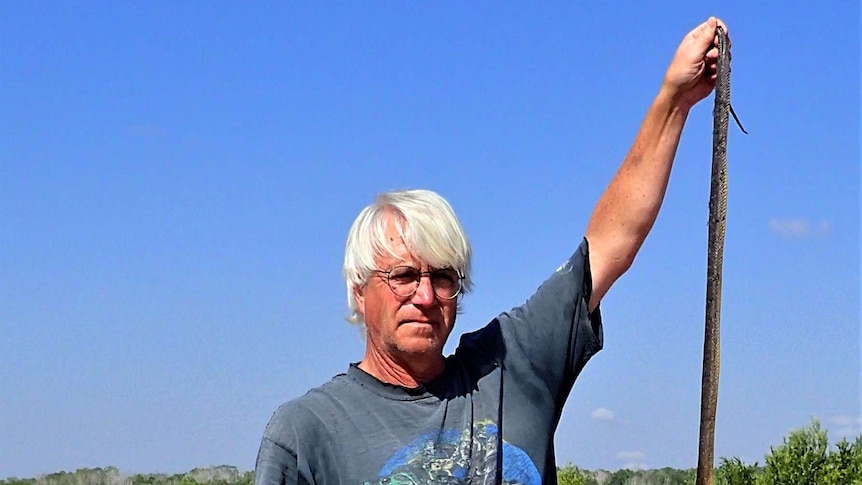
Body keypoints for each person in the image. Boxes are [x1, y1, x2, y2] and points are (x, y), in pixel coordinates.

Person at [255, 17, 731, 485]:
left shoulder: (511, 365)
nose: (425, 296)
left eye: (443, 278)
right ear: (359, 291)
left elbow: (611, 242)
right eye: (403, 276)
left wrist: (674, 101)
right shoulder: (305, 435)